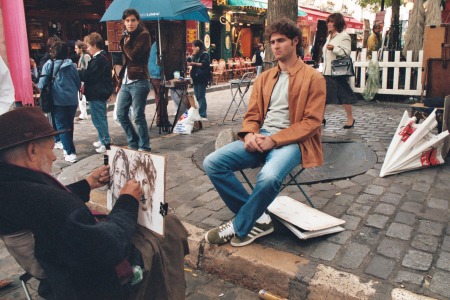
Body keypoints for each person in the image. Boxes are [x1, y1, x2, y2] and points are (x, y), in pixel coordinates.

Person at [0, 107, 189, 300]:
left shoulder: (10, 186)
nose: (54, 156)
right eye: (49, 149)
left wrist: (87, 184)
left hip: (62, 263)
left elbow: (50, 207)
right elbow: (110, 247)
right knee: (169, 228)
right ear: (32, 150)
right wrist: (127, 200)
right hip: (89, 281)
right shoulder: (44, 201)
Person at [203, 17, 326, 247]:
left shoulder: (314, 78)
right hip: (262, 136)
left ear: (295, 41)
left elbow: (311, 123)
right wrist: (249, 135)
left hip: (293, 142)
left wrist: (274, 140)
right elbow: (252, 116)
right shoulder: (264, 78)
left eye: (281, 40)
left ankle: (239, 224)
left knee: (269, 177)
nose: (275, 46)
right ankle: (258, 217)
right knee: (212, 162)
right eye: (272, 41)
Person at [36, 41, 81, 163]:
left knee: (61, 126)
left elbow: (42, 83)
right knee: (69, 125)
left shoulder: (49, 65)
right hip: (72, 100)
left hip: (57, 100)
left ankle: (70, 152)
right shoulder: (72, 65)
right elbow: (77, 83)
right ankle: (68, 147)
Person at [116, 8, 151, 152]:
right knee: (120, 114)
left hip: (140, 80)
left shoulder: (144, 35)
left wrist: (125, 44)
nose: (130, 23)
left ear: (138, 21)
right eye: (127, 20)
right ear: (124, 22)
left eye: (133, 20)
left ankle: (144, 146)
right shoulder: (127, 36)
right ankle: (133, 141)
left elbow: (134, 56)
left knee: (138, 115)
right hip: (126, 81)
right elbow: (126, 59)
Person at [322, 13, 358, 129]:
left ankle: (350, 118)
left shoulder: (344, 36)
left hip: (338, 72)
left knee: (344, 95)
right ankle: (320, 118)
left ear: (337, 23)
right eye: (328, 22)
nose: (328, 24)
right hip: (327, 72)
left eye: (331, 22)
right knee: (323, 96)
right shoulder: (329, 36)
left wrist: (335, 49)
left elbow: (346, 52)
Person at [78, 32, 113, 154]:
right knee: (97, 118)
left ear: (94, 45)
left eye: (88, 46)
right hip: (96, 93)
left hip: (98, 93)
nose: (87, 49)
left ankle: (105, 142)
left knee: (99, 119)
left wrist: (78, 72)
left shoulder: (99, 59)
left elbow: (89, 75)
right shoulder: (100, 58)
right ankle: (102, 139)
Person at [149, 37, 170, 127]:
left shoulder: (156, 44)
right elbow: (161, 61)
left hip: (154, 74)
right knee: (162, 99)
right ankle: (162, 120)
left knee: (160, 98)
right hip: (157, 74)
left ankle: (161, 119)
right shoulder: (160, 45)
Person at [187, 39, 210, 120]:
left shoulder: (204, 54)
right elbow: (188, 60)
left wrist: (194, 64)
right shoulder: (195, 55)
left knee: (201, 96)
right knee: (197, 96)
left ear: (198, 47)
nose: (192, 48)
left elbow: (204, 64)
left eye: (193, 47)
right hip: (196, 78)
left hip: (201, 78)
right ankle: (201, 112)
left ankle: (202, 114)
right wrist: (193, 54)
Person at [75, 40, 91, 121]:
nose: (75, 50)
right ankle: (83, 113)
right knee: (81, 97)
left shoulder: (86, 57)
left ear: (81, 49)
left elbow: (88, 69)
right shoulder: (82, 57)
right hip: (82, 80)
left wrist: (79, 70)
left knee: (83, 96)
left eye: (76, 48)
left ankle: (84, 113)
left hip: (85, 80)